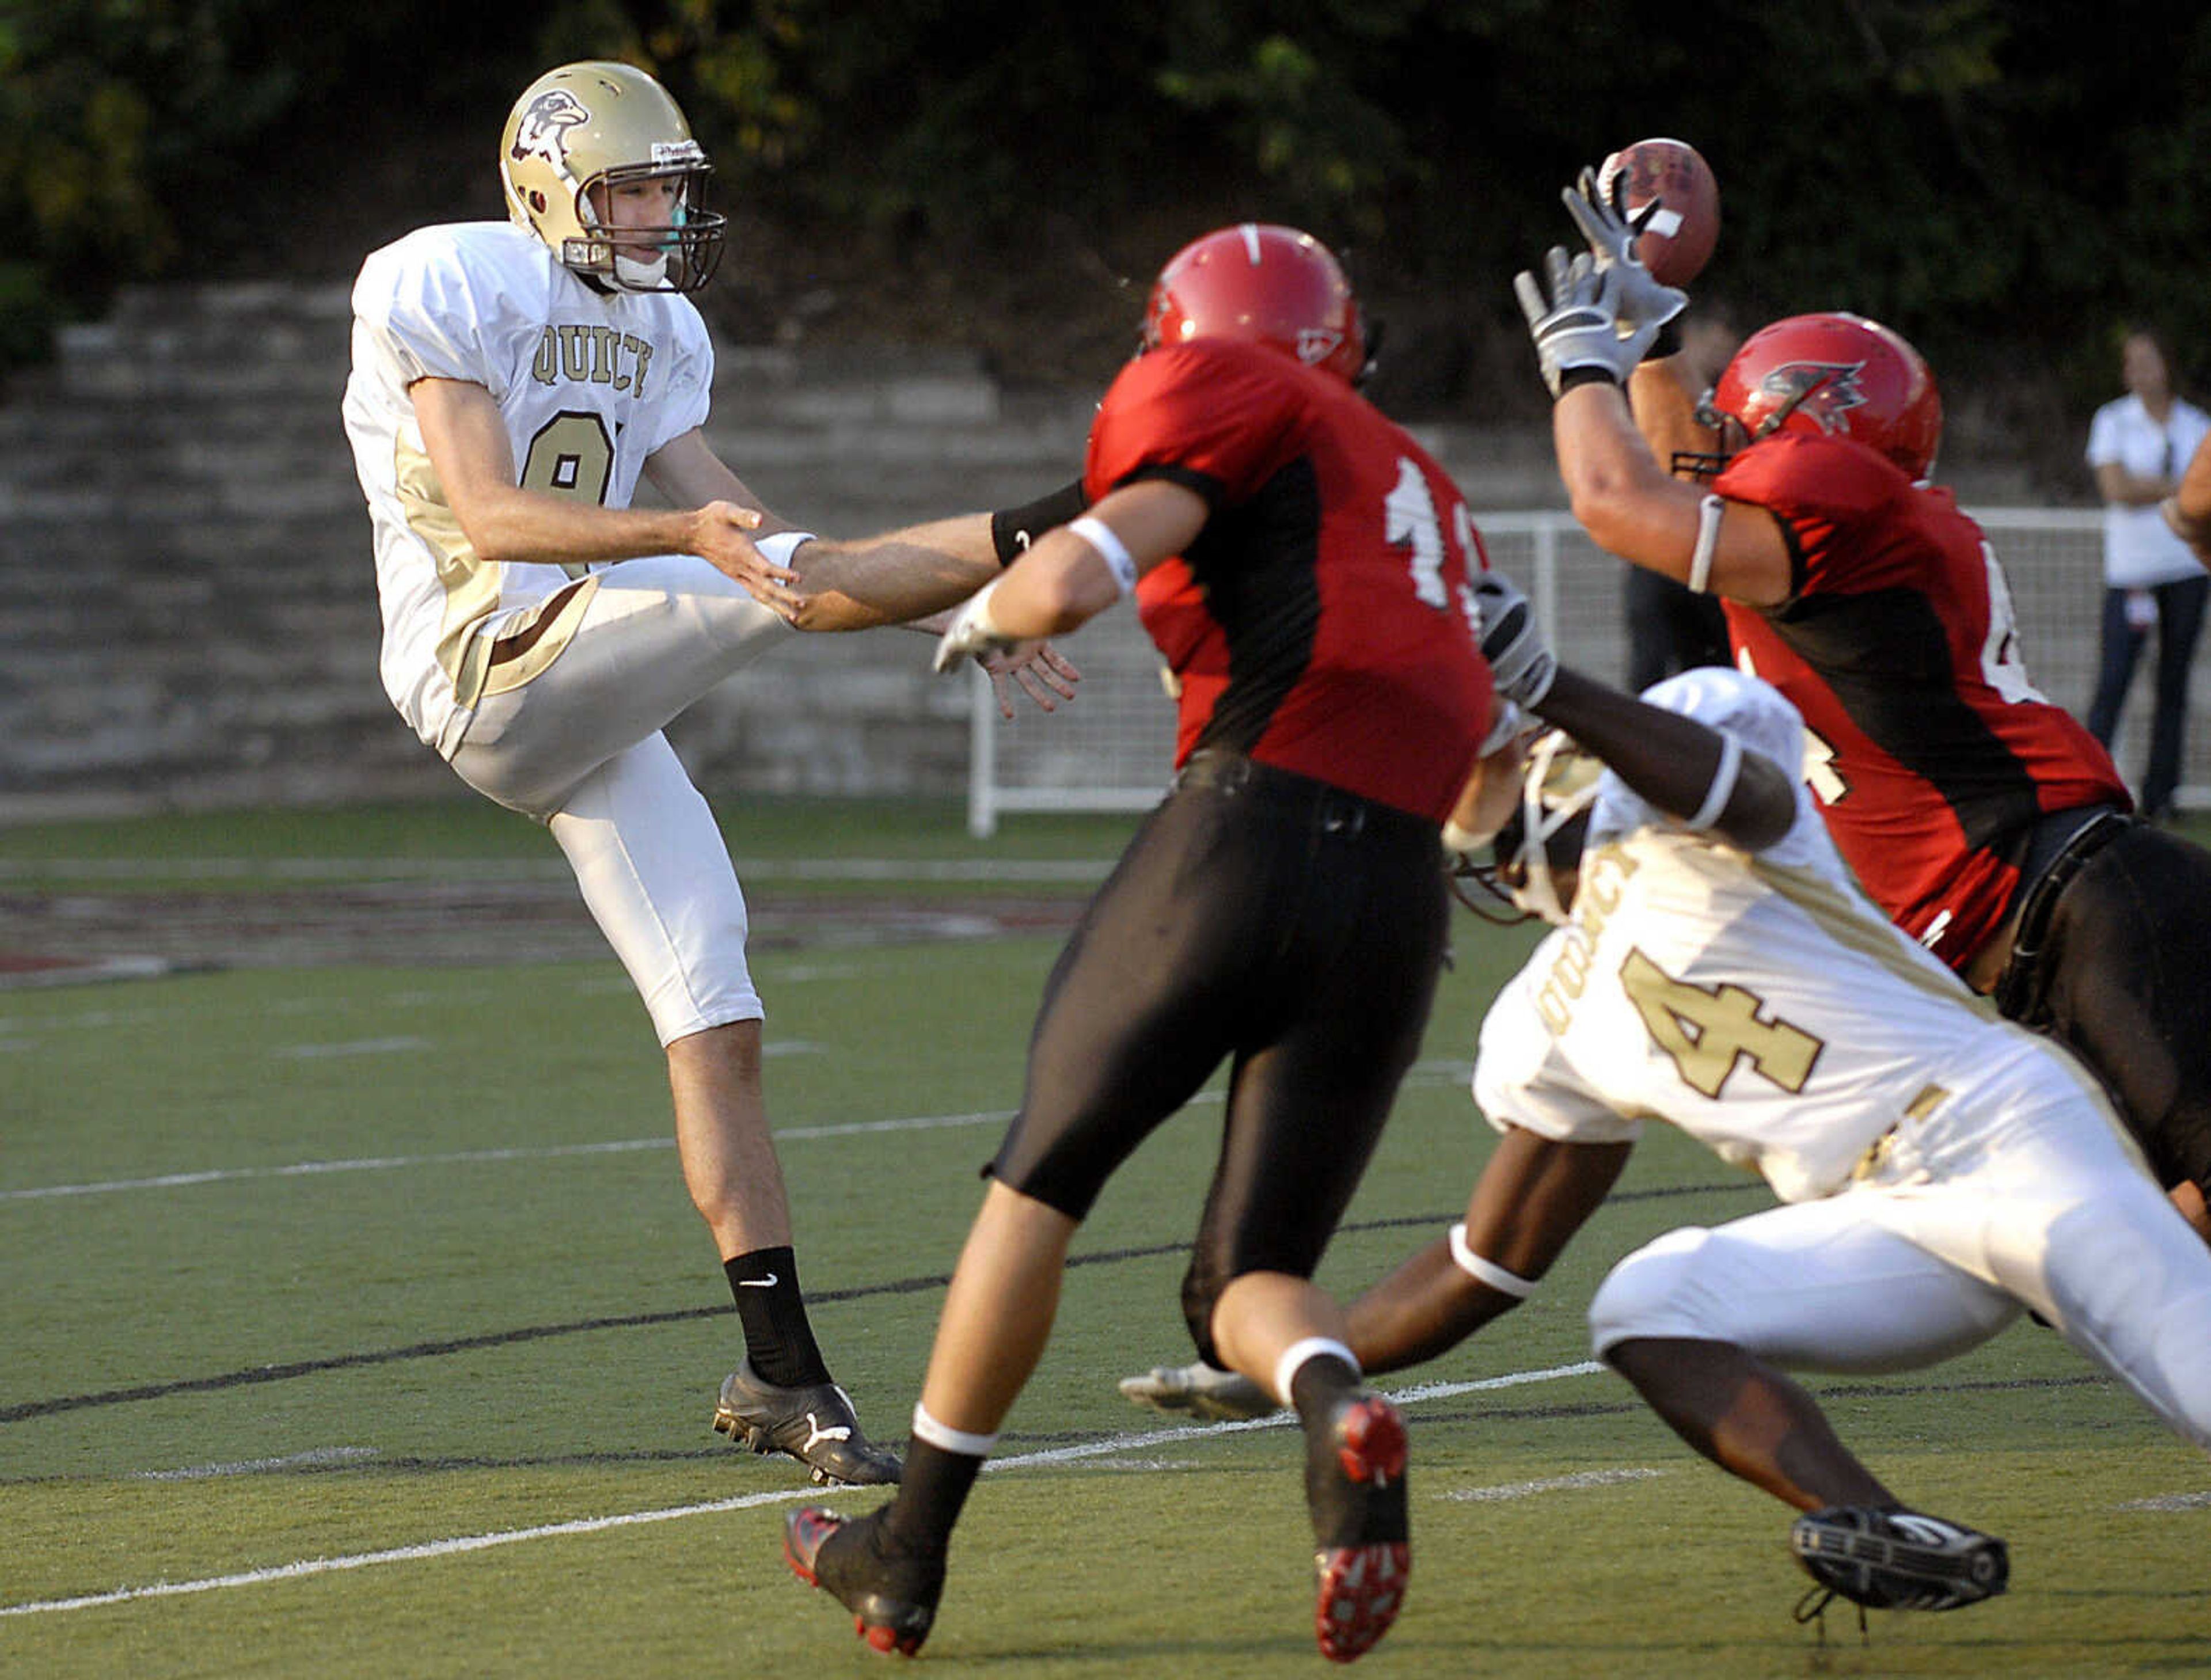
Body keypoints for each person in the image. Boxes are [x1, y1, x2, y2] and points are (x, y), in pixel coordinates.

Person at [341, 59, 1087, 1488]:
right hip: (483, 658)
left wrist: (938, 609)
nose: (658, 217)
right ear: (550, 185)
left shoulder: (661, 324)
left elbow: (752, 522)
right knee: (770, 584)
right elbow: (497, 515)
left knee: (716, 1006)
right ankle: (1081, 508)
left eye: (667, 191)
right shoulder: (451, 278)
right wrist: (701, 540)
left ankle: (782, 1369)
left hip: (595, 696)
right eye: (631, 190)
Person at [1127, 648, 2211, 1620]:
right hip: (1887, 1221)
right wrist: (1315, 1361)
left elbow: (1742, 786)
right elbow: (1486, 1262)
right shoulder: (1541, 1016)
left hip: (2006, 1135)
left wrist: (1544, 677)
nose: (1490, 874)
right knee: (1646, 1302)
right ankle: (1884, 1528)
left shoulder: (1687, 793)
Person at [777, 223, 1502, 1663]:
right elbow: (1474, 723)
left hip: (1244, 833)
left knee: (1037, 1180)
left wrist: (1004, 607)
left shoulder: (1217, 396)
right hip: (1401, 891)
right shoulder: (1413, 481)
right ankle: (1332, 1404)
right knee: (1246, 1271)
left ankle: (903, 1552)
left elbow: (1099, 556)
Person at [1500, 177, 2211, 1241]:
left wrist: (1582, 363)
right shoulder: (1853, 514)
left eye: (1743, 419)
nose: (1718, 438)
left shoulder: (1841, 499)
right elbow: (1683, 465)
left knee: (2140, 1241)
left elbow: (1623, 499)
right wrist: (1657, 343)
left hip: (2086, 906)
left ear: (1803, 424)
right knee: (2105, 1246)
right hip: (2040, 927)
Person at [2084, 330, 2211, 822]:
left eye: (2148, 360)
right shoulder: (2113, 420)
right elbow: (2115, 486)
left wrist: (2171, 497)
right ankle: (2092, 790)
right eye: (2131, 362)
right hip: (2132, 572)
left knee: (2173, 684)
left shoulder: (2195, 423)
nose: (2140, 371)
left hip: (2184, 567)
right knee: (2113, 681)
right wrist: (2181, 492)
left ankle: (2163, 794)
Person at [1622, 309, 1736, 690]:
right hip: (1662, 548)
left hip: (1714, 546)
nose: (1728, 347)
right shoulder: (1651, 388)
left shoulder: (1735, 397)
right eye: (1720, 334)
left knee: (1714, 667)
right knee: (1649, 666)